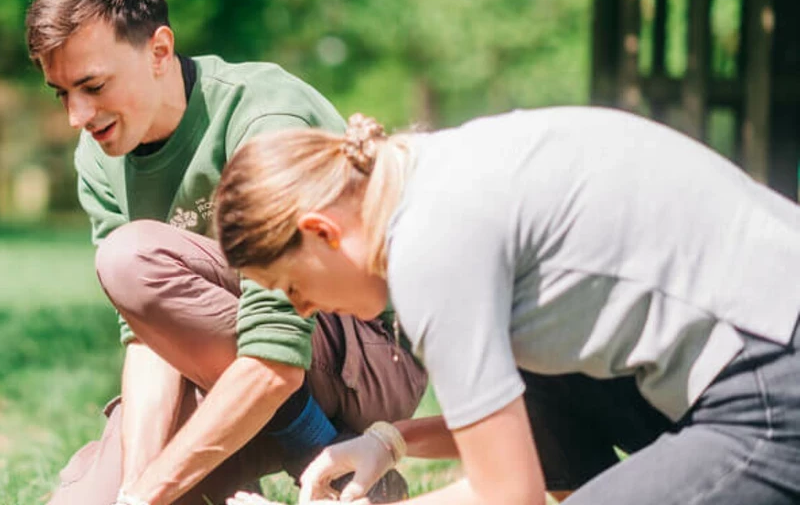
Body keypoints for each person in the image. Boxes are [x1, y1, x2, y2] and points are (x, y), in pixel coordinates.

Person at [213, 107, 800, 505]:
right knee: (529, 364)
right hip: (752, 344)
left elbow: (510, 497)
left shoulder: (429, 247)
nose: (306, 310)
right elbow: (510, 409)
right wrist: (391, 441)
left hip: (772, 371)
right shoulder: (435, 167)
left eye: (293, 287)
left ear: (321, 231)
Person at [25, 0, 426, 505]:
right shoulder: (99, 154)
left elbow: (277, 353)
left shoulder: (261, 117)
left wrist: (154, 491)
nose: (77, 114)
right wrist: (135, 489)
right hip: (229, 361)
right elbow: (147, 334)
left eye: (92, 85)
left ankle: (321, 453)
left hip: (364, 350)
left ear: (160, 51)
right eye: (61, 92)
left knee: (130, 257)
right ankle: (337, 468)